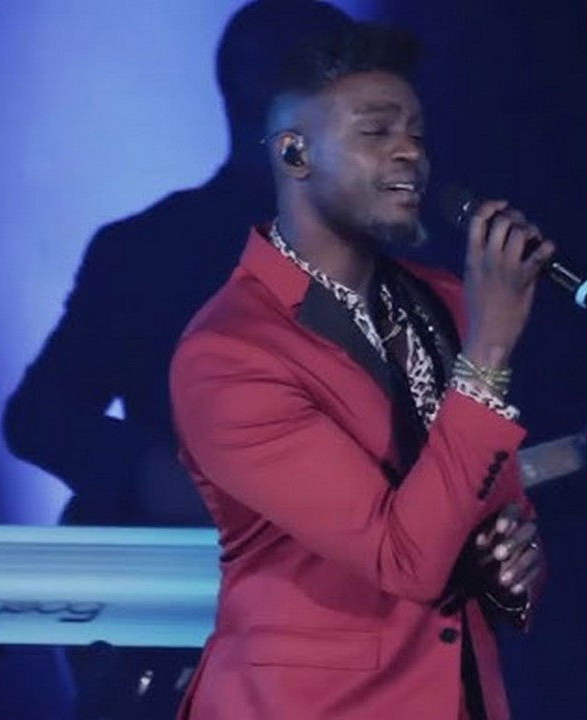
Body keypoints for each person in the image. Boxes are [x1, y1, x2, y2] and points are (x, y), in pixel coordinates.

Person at [169, 23, 551, 719]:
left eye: (417, 133)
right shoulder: (229, 353)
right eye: (376, 132)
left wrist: (513, 569)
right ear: (294, 153)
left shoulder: (447, 301)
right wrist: (491, 349)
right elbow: (403, 559)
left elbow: (493, 505)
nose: (411, 152)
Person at [1, 3, 353, 717]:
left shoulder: (403, 268)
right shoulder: (149, 251)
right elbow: (38, 416)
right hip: (183, 649)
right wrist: (151, 472)